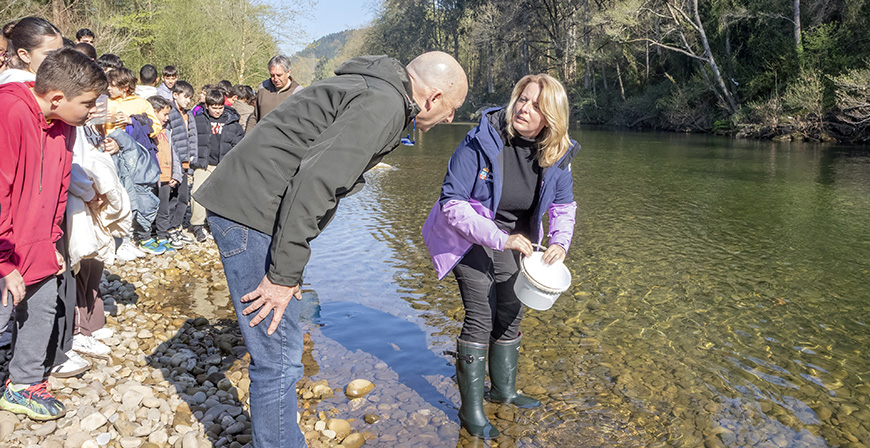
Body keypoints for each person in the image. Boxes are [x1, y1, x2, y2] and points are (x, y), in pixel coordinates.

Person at [193, 51, 467, 447]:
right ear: (434, 96)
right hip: (251, 211)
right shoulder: (385, 103)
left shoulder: (372, 86)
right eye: (452, 109)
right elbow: (317, 181)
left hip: (252, 204)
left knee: (281, 347)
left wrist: (289, 269)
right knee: (279, 358)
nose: (450, 120)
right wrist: (282, 275)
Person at [421, 74, 579, 438]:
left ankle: (503, 392)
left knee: (511, 309)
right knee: (481, 315)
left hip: (516, 240)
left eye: (536, 105)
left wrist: (559, 242)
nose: (524, 108)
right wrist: (500, 239)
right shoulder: (480, 140)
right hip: (467, 236)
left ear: (551, 117)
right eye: (522, 99)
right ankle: (471, 411)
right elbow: (452, 203)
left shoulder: (558, 153)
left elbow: (563, 206)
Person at [0, 47, 107, 420]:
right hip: (5, 243)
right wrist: (5, 262)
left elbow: (60, 186)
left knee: (43, 307)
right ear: (58, 98)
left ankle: (24, 385)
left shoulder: (66, 125)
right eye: (88, 103)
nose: (93, 110)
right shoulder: (10, 111)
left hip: (37, 238)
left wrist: (51, 239)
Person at [190, 89, 244, 242]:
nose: (218, 111)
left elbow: (238, 144)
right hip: (204, 163)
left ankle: (217, 225)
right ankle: (197, 225)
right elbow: (191, 140)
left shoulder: (233, 122)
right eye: (214, 107)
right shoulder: (197, 120)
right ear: (207, 106)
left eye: (220, 107)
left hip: (223, 165)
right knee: (197, 193)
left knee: (220, 197)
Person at [0, 17, 63, 85]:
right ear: (25, 55)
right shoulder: (18, 88)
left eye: (62, 52)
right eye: (50, 54)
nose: (61, 60)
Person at [247, 55, 302, 129]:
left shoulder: (297, 93)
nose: (275, 79)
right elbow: (255, 116)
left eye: (279, 75)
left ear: (288, 72)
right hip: (262, 134)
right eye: (272, 75)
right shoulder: (263, 88)